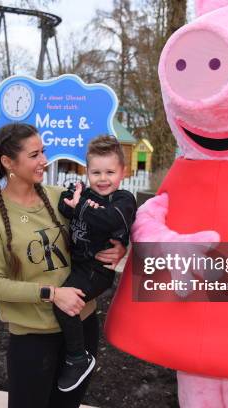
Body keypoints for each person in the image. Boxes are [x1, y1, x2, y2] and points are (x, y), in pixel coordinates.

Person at [0, 123, 126, 408]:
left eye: (43, 151)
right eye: (34, 155)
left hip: (82, 327)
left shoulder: (61, 197)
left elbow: (104, 227)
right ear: (8, 163)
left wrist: (118, 247)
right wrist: (52, 294)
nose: (44, 160)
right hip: (33, 340)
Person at [54, 135, 136, 392]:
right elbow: (65, 205)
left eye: (110, 172)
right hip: (78, 264)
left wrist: (81, 207)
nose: (103, 179)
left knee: (65, 305)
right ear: (87, 171)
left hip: (98, 271)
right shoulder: (85, 193)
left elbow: (108, 221)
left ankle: (78, 358)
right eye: (96, 172)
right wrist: (72, 199)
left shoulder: (123, 200)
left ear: (123, 172)